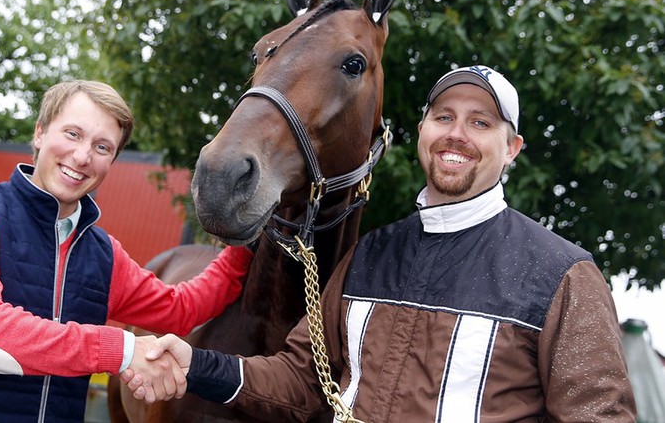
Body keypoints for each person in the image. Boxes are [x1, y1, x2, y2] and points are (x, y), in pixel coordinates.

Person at [129, 65, 637, 421]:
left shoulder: (562, 276)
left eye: (480, 122)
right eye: (444, 117)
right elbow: (303, 382)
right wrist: (195, 364)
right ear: (420, 131)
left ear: (512, 149)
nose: (456, 134)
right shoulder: (371, 255)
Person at [0, 80, 253, 422]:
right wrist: (123, 351)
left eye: (102, 147)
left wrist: (247, 238)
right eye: (72, 134)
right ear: (39, 133)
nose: (82, 156)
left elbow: (180, 308)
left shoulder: (103, 254)